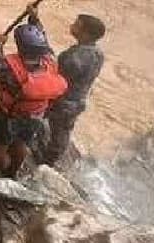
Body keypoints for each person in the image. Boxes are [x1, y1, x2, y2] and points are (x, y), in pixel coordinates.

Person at [0, 17, 68, 179]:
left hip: (9, 115)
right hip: (36, 115)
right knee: (21, 144)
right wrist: (35, 19)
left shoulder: (12, 69)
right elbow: (45, 41)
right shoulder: (49, 61)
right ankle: (11, 173)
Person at [40, 11, 106, 166]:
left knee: (57, 129)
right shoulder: (97, 53)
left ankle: (47, 162)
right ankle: (51, 158)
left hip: (63, 100)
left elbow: (55, 70)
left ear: (86, 33)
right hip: (78, 99)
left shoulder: (76, 58)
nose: (72, 25)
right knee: (63, 130)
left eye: (77, 25)